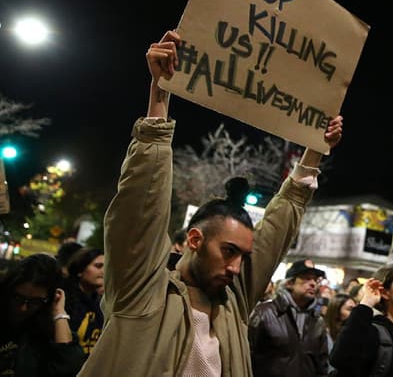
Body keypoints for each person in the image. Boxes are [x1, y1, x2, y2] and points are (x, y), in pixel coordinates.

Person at [76, 30, 343, 377]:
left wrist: (313, 150)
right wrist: (160, 95)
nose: (236, 267)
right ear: (195, 240)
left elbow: (278, 226)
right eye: (229, 251)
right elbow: (140, 208)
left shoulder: (233, 302)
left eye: (243, 257)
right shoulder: (141, 290)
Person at [0, 253, 84, 376]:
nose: (23, 308)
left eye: (35, 301)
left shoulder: (45, 329)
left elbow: (70, 366)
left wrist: (59, 313)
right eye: (18, 297)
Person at [249, 259, 329, 376]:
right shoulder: (265, 313)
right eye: (306, 278)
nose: (313, 283)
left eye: (316, 280)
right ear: (290, 283)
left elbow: (322, 364)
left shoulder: (317, 321)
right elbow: (247, 355)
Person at [64, 247, 105, 357]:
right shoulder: (65, 300)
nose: (104, 271)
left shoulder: (99, 302)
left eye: (106, 266)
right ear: (80, 270)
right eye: (98, 266)